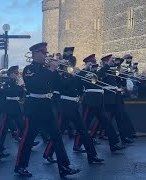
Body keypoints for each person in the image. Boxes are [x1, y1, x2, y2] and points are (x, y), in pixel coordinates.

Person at [14, 42, 80, 178]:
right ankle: (20, 166)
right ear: (35, 54)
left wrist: (72, 76)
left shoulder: (48, 69)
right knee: (27, 139)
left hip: (48, 107)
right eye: (43, 53)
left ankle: (64, 167)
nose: (46, 55)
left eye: (46, 53)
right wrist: (50, 69)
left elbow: (61, 85)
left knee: (57, 137)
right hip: (34, 108)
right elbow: (35, 84)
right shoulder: (29, 69)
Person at [43, 57, 104, 164]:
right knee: (58, 133)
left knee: (84, 132)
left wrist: (80, 76)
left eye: (69, 66)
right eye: (66, 66)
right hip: (65, 106)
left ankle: (92, 155)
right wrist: (77, 75)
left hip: (74, 106)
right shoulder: (58, 75)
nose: (69, 68)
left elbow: (80, 89)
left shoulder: (73, 76)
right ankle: (48, 153)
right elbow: (64, 85)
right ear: (62, 67)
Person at [73, 54, 125, 152]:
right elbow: (97, 76)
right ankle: (77, 145)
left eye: (95, 62)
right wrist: (106, 65)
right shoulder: (86, 73)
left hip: (99, 101)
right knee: (84, 125)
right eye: (93, 62)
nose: (95, 64)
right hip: (90, 101)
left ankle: (114, 144)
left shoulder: (97, 71)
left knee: (108, 123)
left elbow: (101, 75)